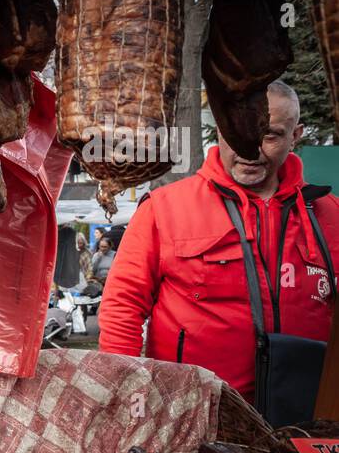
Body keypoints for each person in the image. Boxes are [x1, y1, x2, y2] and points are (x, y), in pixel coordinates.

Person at [99, 80, 337, 404]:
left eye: (270, 135)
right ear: (221, 128)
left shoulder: (331, 214)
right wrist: (120, 392)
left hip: (305, 414)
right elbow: (122, 305)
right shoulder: (164, 208)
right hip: (193, 414)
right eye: (237, 130)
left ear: (295, 136)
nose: (250, 149)